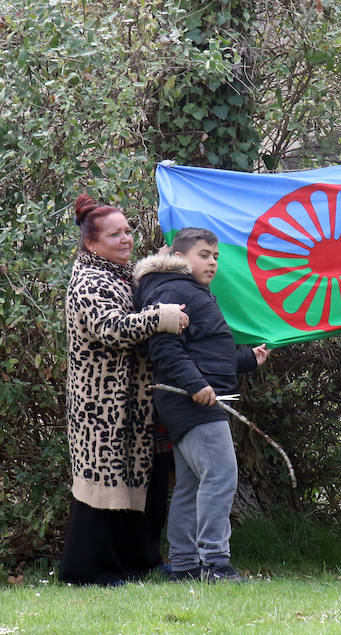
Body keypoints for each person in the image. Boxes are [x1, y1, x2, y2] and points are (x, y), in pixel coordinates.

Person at [59, 193, 189, 586]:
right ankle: (86, 572)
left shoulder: (120, 273)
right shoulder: (88, 280)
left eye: (128, 231)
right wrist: (161, 317)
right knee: (102, 492)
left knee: (141, 488)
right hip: (99, 406)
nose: (126, 239)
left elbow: (141, 286)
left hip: (135, 404)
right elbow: (112, 329)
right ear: (91, 243)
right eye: (115, 235)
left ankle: (140, 563)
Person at [134, 227, 269, 583]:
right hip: (190, 400)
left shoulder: (191, 290)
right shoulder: (174, 290)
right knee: (221, 475)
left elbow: (206, 350)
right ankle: (215, 565)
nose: (212, 262)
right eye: (204, 255)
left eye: (216, 257)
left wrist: (247, 359)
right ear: (178, 259)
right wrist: (196, 385)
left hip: (191, 398)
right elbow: (164, 349)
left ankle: (183, 566)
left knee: (191, 485)